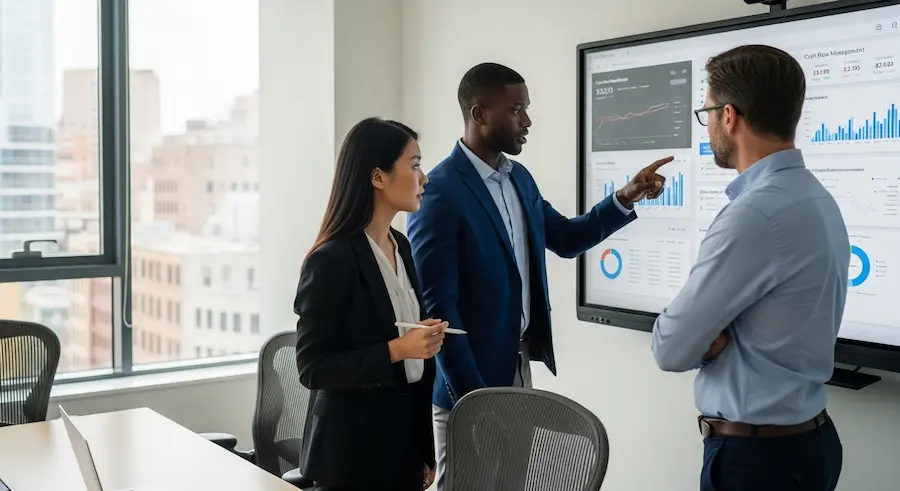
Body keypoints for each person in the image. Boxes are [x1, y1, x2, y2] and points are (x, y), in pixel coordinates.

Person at [406, 62, 673, 490]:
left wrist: (626, 196)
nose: (527, 121)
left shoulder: (519, 179)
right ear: (479, 115)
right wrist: (476, 402)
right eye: (516, 110)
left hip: (516, 371)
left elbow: (567, 238)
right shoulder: (439, 192)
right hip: (467, 388)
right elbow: (440, 312)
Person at [650, 45, 846, 491]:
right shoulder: (815, 196)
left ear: (730, 116)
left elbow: (670, 347)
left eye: (707, 112)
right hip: (804, 446)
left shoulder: (754, 215)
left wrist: (706, 338)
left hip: (759, 464)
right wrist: (712, 336)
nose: (709, 124)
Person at [294, 117, 448, 491]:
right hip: (351, 458)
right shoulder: (330, 260)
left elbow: (414, 374)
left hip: (402, 451)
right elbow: (313, 368)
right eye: (414, 166)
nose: (424, 178)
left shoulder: (403, 246)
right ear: (378, 177)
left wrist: (423, 450)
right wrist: (397, 349)